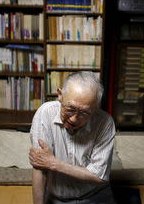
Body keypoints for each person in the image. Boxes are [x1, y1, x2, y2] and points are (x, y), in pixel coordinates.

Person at [29, 71, 116, 204]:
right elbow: (40, 166)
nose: (74, 119)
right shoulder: (45, 113)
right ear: (60, 95)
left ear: (95, 107)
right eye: (70, 109)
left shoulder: (105, 122)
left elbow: (100, 176)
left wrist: (54, 163)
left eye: (84, 112)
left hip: (96, 195)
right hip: (57, 198)